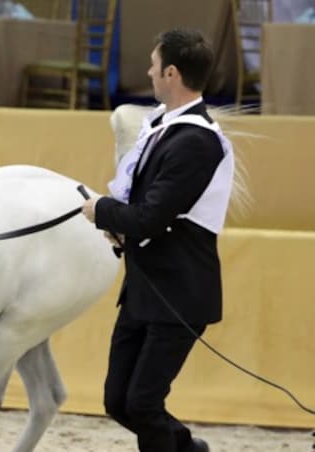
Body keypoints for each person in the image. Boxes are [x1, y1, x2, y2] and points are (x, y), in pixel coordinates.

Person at [81, 29, 235, 452]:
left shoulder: (196, 141)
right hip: (144, 290)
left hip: (178, 293)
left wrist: (102, 210)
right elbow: (150, 211)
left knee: (143, 403)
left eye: (153, 65)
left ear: (171, 72)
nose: (148, 73)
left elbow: (150, 218)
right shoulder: (165, 128)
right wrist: (118, 222)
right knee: (119, 401)